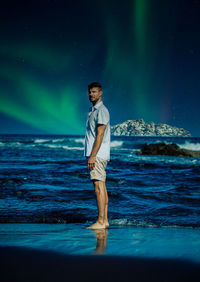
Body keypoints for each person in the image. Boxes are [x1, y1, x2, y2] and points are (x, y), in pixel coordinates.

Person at [84, 82, 110, 229]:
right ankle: (104, 220)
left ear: (100, 93)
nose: (91, 94)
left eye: (94, 92)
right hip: (98, 154)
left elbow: (100, 134)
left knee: (98, 186)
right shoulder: (93, 110)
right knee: (102, 186)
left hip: (98, 154)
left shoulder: (102, 110)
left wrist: (93, 155)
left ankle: (101, 221)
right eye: (89, 92)